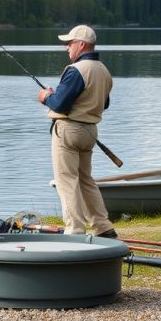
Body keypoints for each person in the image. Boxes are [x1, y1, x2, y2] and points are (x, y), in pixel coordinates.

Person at [37, 25, 116, 238]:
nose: (67, 48)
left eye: (70, 43)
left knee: (66, 180)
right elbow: (104, 104)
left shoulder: (76, 70)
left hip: (69, 130)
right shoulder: (103, 70)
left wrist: (46, 97)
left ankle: (75, 229)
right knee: (85, 179)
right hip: (90, 131)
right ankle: (103, 226)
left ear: (81, 45)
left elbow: (60, 104)